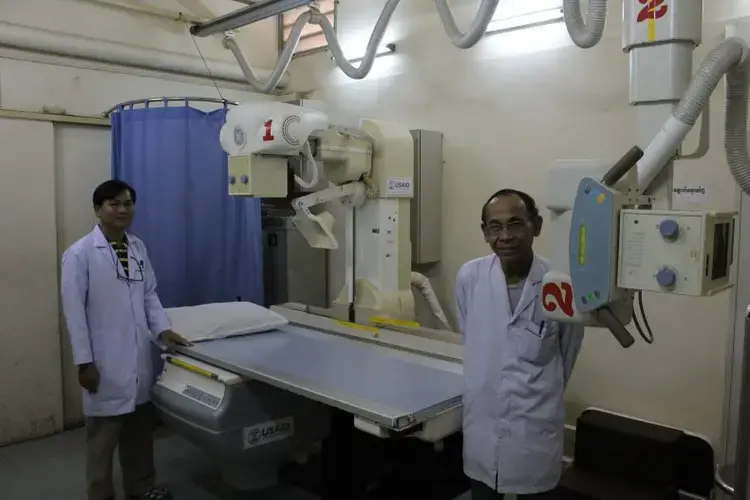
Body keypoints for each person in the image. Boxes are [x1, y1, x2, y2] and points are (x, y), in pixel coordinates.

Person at [61, 179, 191, 500]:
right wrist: (84, 362)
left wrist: (163, 330)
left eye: (128, 203)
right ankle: (100, 494)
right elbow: (74, 313)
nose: (122, 209)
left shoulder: (137, 247)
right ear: (98, 209)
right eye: (114, 203)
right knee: (102, 442)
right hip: (103, 364)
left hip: (137, 362)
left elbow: (149, 295)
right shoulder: (79, 254)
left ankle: (141, 488)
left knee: (139, 436)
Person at [455, 189, 585, 500]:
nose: (506, 236)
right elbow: (469, 334)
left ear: (536, 226)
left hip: (534, 429)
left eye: (516, 224)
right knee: (482, 492)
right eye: (495, 227)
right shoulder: (470, 277)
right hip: (482, 426)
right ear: (485, 232)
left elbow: (567, 354)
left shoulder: (560, 283)